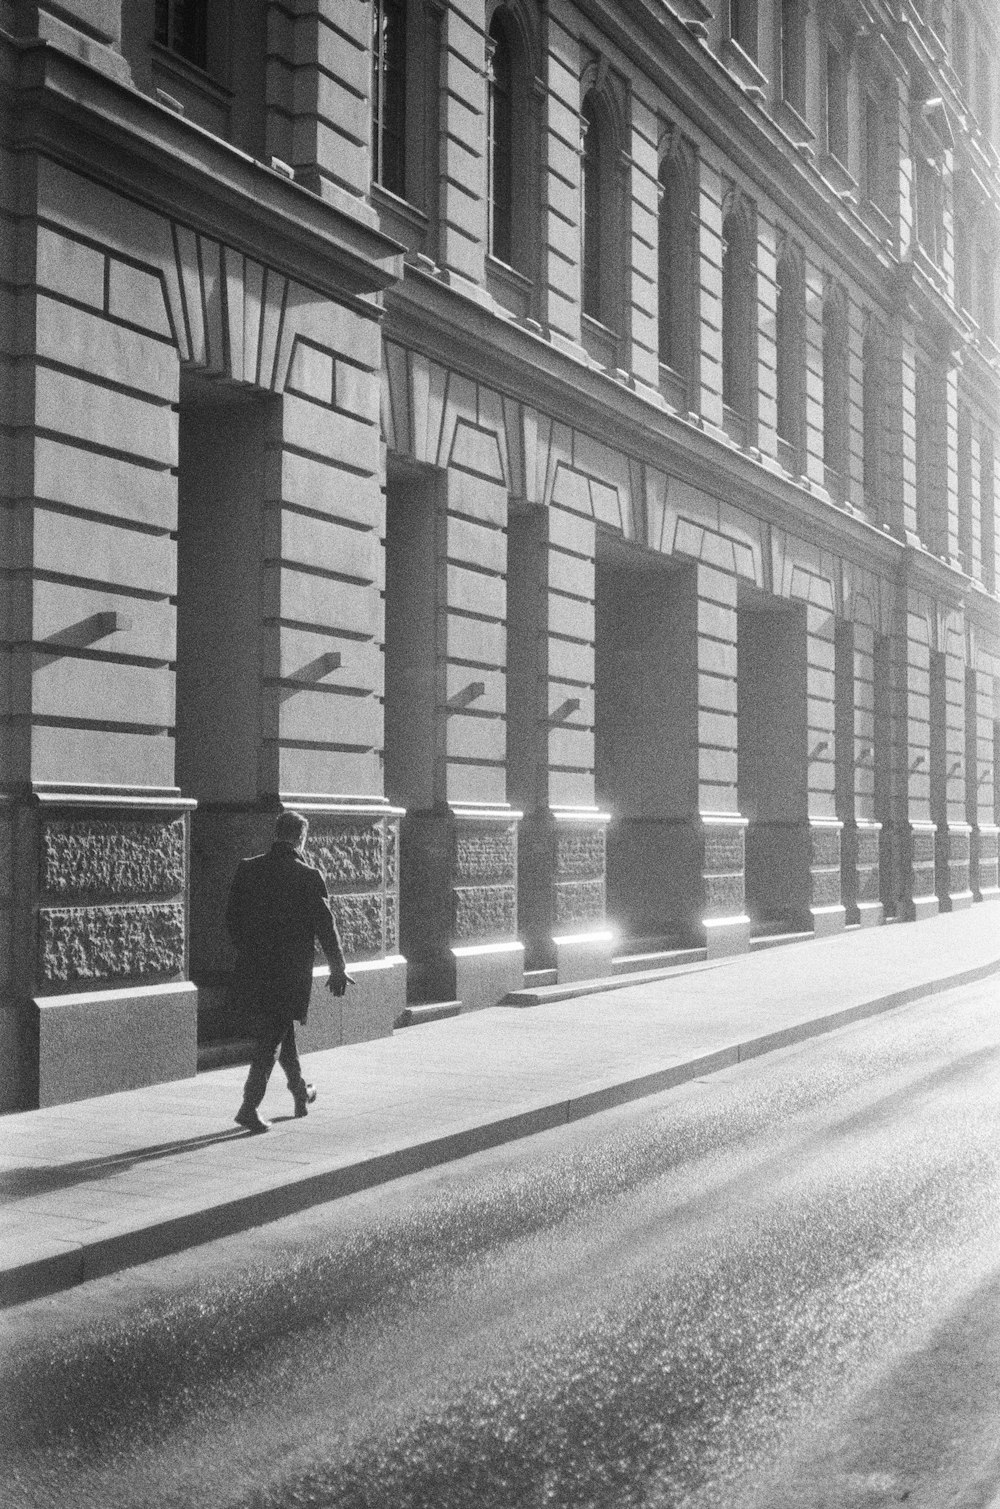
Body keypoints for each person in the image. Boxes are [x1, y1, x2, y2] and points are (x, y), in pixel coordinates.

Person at [226, 809, 354, 1133]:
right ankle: (248, 1106)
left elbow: (232, 920)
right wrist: (337, 968)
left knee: (282, 1033)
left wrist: (251, 952)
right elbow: (327, 927)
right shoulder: (308, 876)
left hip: (255, 969)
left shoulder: (248, 869)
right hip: (289, 974)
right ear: (301, 838)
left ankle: (301, 1092)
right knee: (271, 1039)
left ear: (275, 834)